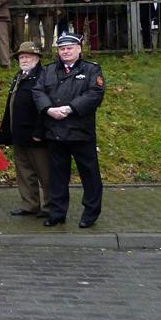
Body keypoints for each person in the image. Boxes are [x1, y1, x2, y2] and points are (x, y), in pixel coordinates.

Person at [32, 33, 106, 228]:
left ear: (79, 49)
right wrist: (49, 109)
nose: (65, 51)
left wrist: (70, 108)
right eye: (62, 48)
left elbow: (95, 93)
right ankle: (57, 213)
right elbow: (37, 90)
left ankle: (90, 213)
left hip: (81, 132)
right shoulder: (48, 70)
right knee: (57, 177)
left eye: (69, 48)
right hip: (55, 131)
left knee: (89, 175)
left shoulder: (91, 69)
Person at [0, 42, 50, 218]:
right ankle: (29, 204)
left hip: (36, 136)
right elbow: (10, 106)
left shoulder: (44, 77)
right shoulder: (19, 76)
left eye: (27, 56)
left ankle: (50, 205)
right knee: (24, 172)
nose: (24, 59)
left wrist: (39, 132)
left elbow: (46, 108)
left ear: (37, 58)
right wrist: (6, 133)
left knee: (45, 173)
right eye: (21, 57)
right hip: (19, 135)